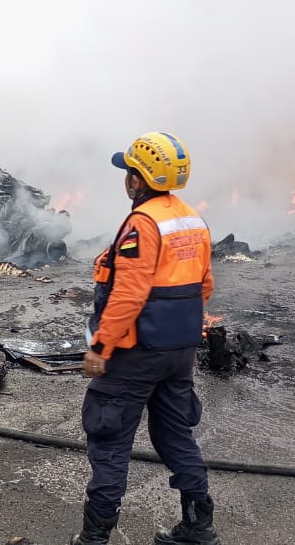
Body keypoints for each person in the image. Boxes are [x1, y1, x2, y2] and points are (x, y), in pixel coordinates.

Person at [71, 132, 218, 545]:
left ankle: (94, 539)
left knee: (109, 438)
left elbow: (129, 293)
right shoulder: (192, 219)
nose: (126, 180)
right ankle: (198, 528)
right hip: (180, 352)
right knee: (174, 434)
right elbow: (204, 285)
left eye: (129, 173)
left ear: (138, 181)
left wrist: (102, 346)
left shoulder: (143, 223)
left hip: (135, 353)